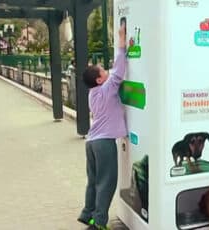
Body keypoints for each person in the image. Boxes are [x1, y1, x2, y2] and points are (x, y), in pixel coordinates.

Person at [77, 24, 127, 230]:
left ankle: (87, 213)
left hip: (91, 142)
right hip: (104, 144)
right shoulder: (107, 89)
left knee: (93, 180)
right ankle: (98, 223)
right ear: (99, 79)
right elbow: (119, 72)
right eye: (103, 71)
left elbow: (113, 73)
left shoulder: (93, 93)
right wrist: (122, 46)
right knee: (107, 183)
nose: (107, 72)